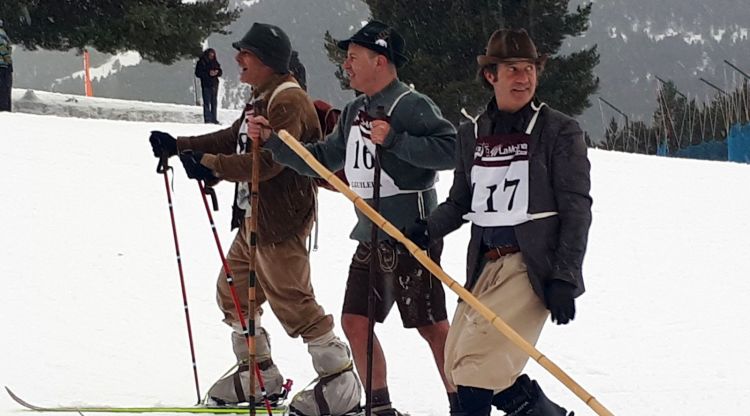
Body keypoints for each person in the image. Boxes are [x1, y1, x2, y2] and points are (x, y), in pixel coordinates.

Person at [149, 22, 361, 416]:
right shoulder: (260, 98)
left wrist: (210, 165)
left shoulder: (289, 102)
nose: (238, 60)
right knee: (232, 293)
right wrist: (180, 147)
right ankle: (258, 373)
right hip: (252, 218)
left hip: (280, 222)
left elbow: (270, 163)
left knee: (293, 302)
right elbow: (234, 139)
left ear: (266, 60)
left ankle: (340, 381)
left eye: (245, 54)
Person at [251, 20, 459, 416]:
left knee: (431, 327)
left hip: (411, 234)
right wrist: (277, 145)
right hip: (370, 234)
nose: (346, 65)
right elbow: (327, 160)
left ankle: (462, 401)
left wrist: (396, 140)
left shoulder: (411, 105)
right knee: (355, 321)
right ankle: (379, 407)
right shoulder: (353, 111)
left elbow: (450, 151)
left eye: (353, 57)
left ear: (379, 61)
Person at [412, 28, 592, 415]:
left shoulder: (559, 131)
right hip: (486, 266)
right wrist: (426, 229)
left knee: (476, 365)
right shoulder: (472, 134)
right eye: (513, 69)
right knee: (457, 360)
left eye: (530, 69)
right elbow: (461, 201)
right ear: (491, 76)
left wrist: (564, 275)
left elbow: (576, 209)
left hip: (531, 266)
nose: (524, 78)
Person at [194, 48, 222, 123]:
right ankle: (208, 119)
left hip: (214, 84)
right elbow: (198, 73)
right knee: (207, 102)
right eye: (210, 55)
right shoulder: (202, 62)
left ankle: (214, 118)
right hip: (206, 84)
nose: (211, 56)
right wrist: (208, 74)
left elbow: (220, 72)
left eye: (213, 55)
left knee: (214, 102)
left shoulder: (215, 62)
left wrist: (217, 72)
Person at [0, 18, 13, 112]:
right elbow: (3, 50)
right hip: (3, 66)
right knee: (4, 89)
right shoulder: (2, 34)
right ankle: (4, 109)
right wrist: (8, 62)